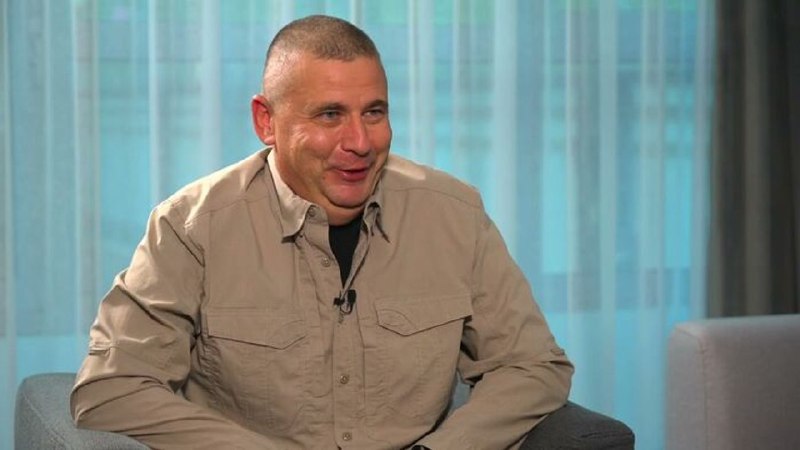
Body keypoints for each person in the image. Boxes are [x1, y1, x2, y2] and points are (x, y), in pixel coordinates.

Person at [71, 15, 573, 450]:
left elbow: (533, 366)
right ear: (266, 121)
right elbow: (111, 389)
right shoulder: (189, 227)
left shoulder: (454, 214)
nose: (360, 142)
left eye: (374, 112)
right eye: (330, 115)